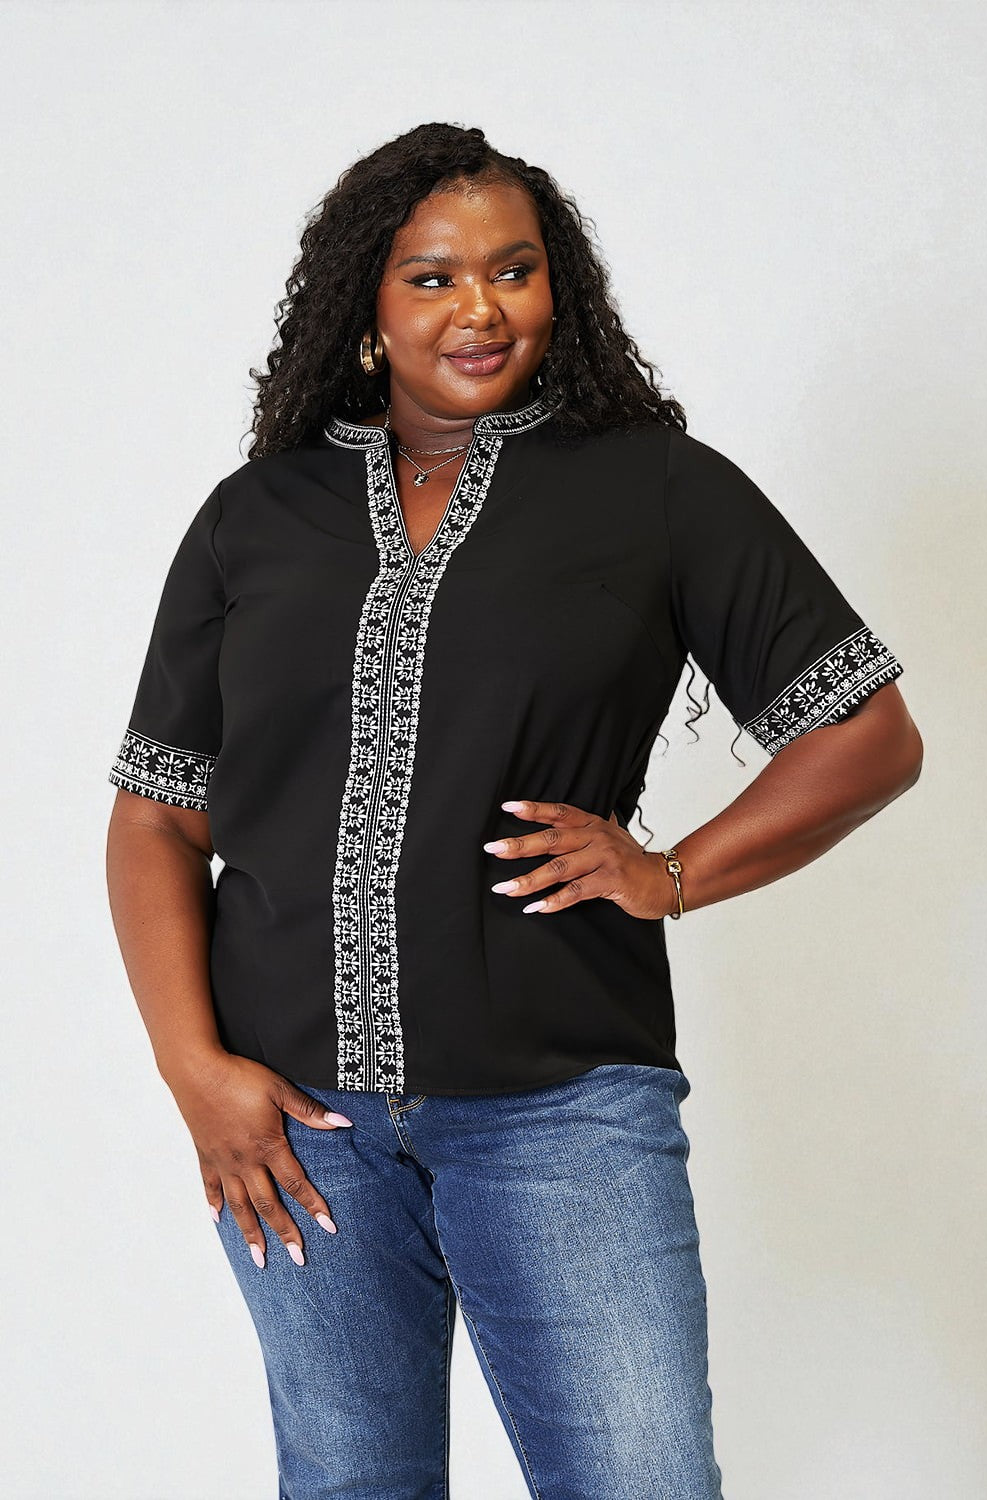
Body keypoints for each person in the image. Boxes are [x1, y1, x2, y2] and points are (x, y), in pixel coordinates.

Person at [105, 122, 922, 1500]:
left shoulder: (656, 489)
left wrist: (669, 872)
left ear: (561, 287)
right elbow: (156, 821)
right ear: (365, 301)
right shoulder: (257, 518)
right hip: (297, 1132)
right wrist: (199, 1075)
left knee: (640, 1483)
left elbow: (867, 735)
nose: (481, 309)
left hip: (562, 1110)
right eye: (432, 278)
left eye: (514, 271)